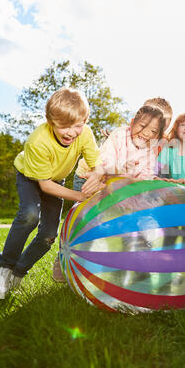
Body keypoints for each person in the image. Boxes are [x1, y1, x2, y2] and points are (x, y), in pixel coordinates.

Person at [0, 87, 104, 299]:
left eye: (78, 125)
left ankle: (19, 272)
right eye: (63, 126)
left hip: (56, 179)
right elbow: (45, 186)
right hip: (31, 177)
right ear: (50, 121)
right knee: (29, 215)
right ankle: (4, 267)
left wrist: (99, 174)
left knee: (48, 236)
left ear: (84, 121)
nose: (71, 132)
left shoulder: (85, 134)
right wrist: (80, 197)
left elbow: (97, 164)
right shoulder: (38, 142)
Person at [51, 104, 167, 283]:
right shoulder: (120, 135)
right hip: (91, 178)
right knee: (84, 219)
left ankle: (131, 264)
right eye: (142, 126)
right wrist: (123, 170)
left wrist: (149, 183)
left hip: (121, 185)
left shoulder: (151, 149)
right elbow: (104, 162)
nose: (147, 134)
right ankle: (63, 258)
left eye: (153, 131)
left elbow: (144, 175)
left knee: (128, 221)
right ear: (132, 122)